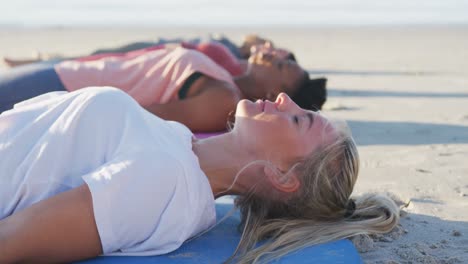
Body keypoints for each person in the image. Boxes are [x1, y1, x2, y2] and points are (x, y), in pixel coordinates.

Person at [0, 87, 399, 263]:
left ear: (282, 176)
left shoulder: (163, 181)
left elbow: (12, 241)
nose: (284, 98)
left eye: (297, 118)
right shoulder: (179, 150)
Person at [0, 45, 327, 132]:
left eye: (281, 66)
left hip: (65, 88)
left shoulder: (222, 99)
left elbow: (132, 115)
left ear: (273, 96)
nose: (274, 56)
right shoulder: (225, 75)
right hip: (69, 73)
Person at [2, 34, 296, 68]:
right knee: (95, 53)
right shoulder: (233, 48)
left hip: (155, 59)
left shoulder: (237, 64)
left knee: (89, 60)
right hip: (155, 50)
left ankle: (32, 62)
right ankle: (35, 61)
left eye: (277, 55)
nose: (269, 50)